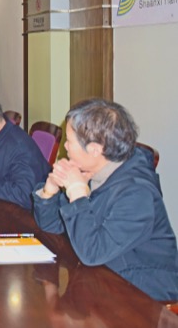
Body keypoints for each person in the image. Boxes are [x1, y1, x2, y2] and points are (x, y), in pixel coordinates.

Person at [33, 98, 178, 301]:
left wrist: (77, 192)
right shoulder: (96, 172)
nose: (65, 146)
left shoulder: (137, 193)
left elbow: (92, 252)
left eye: (69, 141)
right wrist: (50, 190)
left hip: (143, 296)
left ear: (94, 149)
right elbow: (52, 225)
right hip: (104, 278)